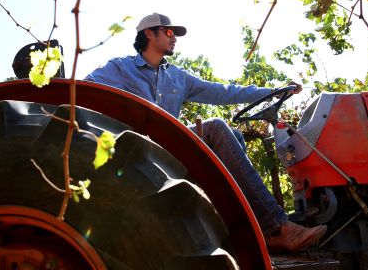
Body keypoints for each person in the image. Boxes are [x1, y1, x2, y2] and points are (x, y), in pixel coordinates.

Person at [85, 13, 327, 252]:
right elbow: (86, 91)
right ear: (149, 33)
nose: (175, 39)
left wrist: (273, 91)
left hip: (172, 146)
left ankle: (244, 230)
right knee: (215, 127)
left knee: (234, 137)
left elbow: (224, 92)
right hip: (139, 147)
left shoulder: (177, 77)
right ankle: (277, 228)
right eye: (169, 32)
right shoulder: (120, 68)